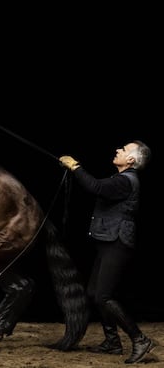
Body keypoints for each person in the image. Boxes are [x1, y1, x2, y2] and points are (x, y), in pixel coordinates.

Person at [59, 140, 156, 364]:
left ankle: (140, 339)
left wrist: (76, 167)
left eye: (123, 150)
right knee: (94, 293)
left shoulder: (126, 181)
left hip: (117, 243)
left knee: (103, 296)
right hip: (108, 241)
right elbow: (99, 187)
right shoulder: (121, 179)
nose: (117, 150)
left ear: (131, 159)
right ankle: (112, 342)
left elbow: (96, 187)